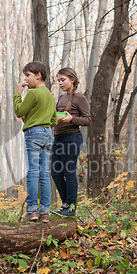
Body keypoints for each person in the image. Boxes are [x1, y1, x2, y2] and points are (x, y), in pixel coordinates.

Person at [13, 61, 58, 223]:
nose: (26, 79)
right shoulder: (49, 95)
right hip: (47, 134)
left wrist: (18, 93)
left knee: (33, 172)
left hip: (34, 134)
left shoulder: (32, 93)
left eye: (28, 75)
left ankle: (32, 210)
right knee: (44, 173)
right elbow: (53, 120)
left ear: (38, 75)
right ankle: (45, 212)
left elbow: (19, 111)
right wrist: (34, 118)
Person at [51, 68, 91, 217]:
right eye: (59, 80)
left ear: (72, 80)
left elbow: (87, 120)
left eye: (63, 79)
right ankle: (66, 205)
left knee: (68, 172)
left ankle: (71, 208)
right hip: (58, 137)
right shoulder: (61, 98)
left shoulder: (80, 98)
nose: (60, 83)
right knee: (56, 173)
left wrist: (71, 119)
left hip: (72, 137)